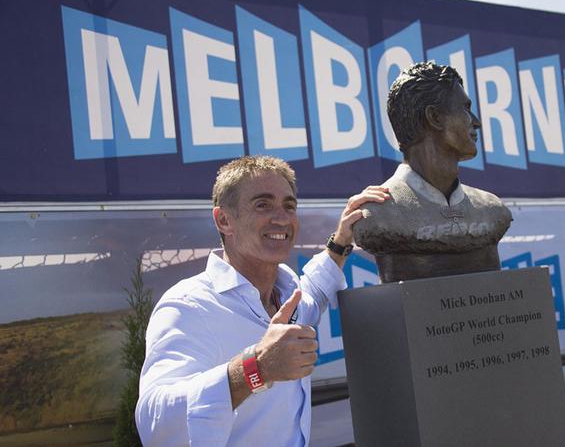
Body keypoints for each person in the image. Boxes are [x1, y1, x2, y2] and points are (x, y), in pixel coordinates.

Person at [135, 155, 389, 446]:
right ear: (224, 220)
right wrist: (255, 368)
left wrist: (342, 239)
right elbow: (156, 426)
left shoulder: (287, 293)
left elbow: (315, 291)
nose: (280, 217)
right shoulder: (188, 306)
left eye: (289, 206)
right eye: (262, 205)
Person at [353, 61, 512, 283]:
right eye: (465, 108)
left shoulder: (492, 210)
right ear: (434, 117)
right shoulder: (377, 215)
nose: (475, 122)